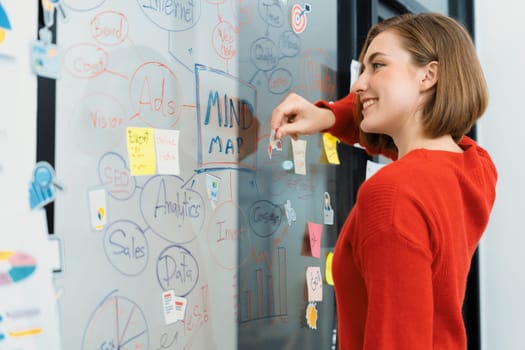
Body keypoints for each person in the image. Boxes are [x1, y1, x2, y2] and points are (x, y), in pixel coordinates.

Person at [271, 12, 497, 350]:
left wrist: (335, 114)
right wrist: (331, 115)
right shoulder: (474, 168)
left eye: (377, 66)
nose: (359, 85)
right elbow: (426, 148)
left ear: (429, 75)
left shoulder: (394, 192)